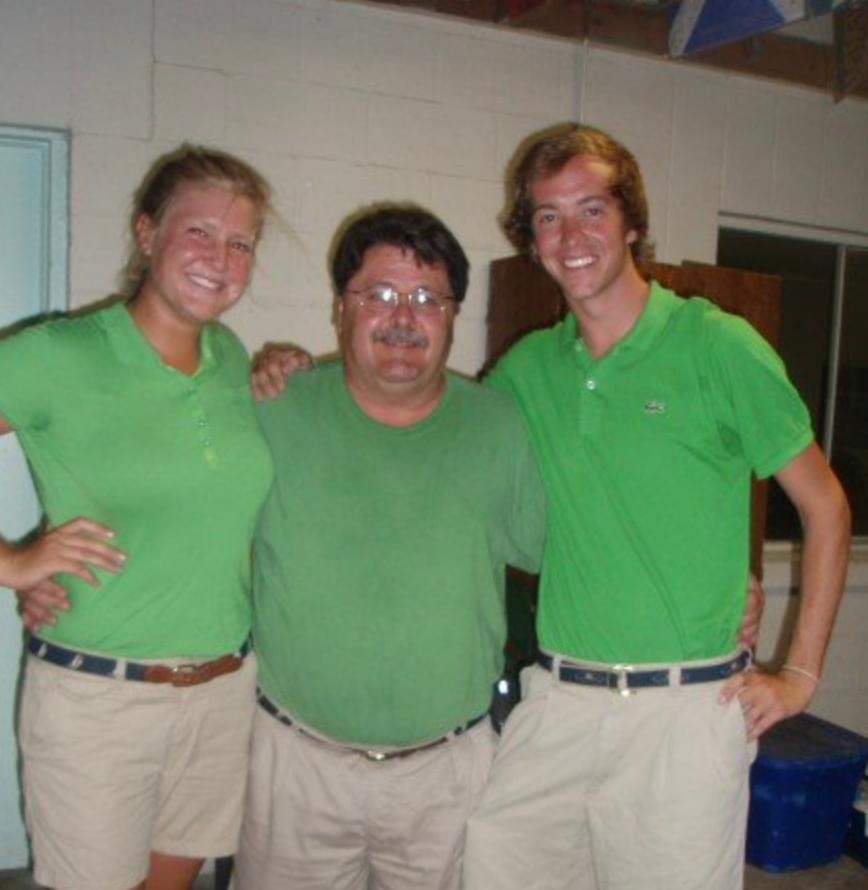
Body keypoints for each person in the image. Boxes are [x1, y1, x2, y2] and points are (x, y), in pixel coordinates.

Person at [461, 123, 851, 890]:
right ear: (530, 237)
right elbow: (435, 433)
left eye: (591, 210)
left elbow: (828, 506)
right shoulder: (528, 369)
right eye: (548, 216)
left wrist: (799, 672)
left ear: (632, 221)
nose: (570, 235)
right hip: (559, 704)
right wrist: (301, 373)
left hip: (684, 714)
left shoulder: (719, 346)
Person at [234, 204, 547, 890]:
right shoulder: (274, 410)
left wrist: (713, 593)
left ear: (452, 315)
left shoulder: (499, 426)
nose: (403, 318)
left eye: (426, 299)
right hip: (297, 768)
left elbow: (565, 557)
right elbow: (186, 526)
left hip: (448, 775)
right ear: (339, 310)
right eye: (377, 295)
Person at [0, 144, 275, 890]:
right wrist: (15, 563)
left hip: (221, 690)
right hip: (99, 704)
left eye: (241, 243)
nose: (220, 259)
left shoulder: (229, 358)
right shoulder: (58, 354)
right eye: (199, 233)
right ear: (147, 233)